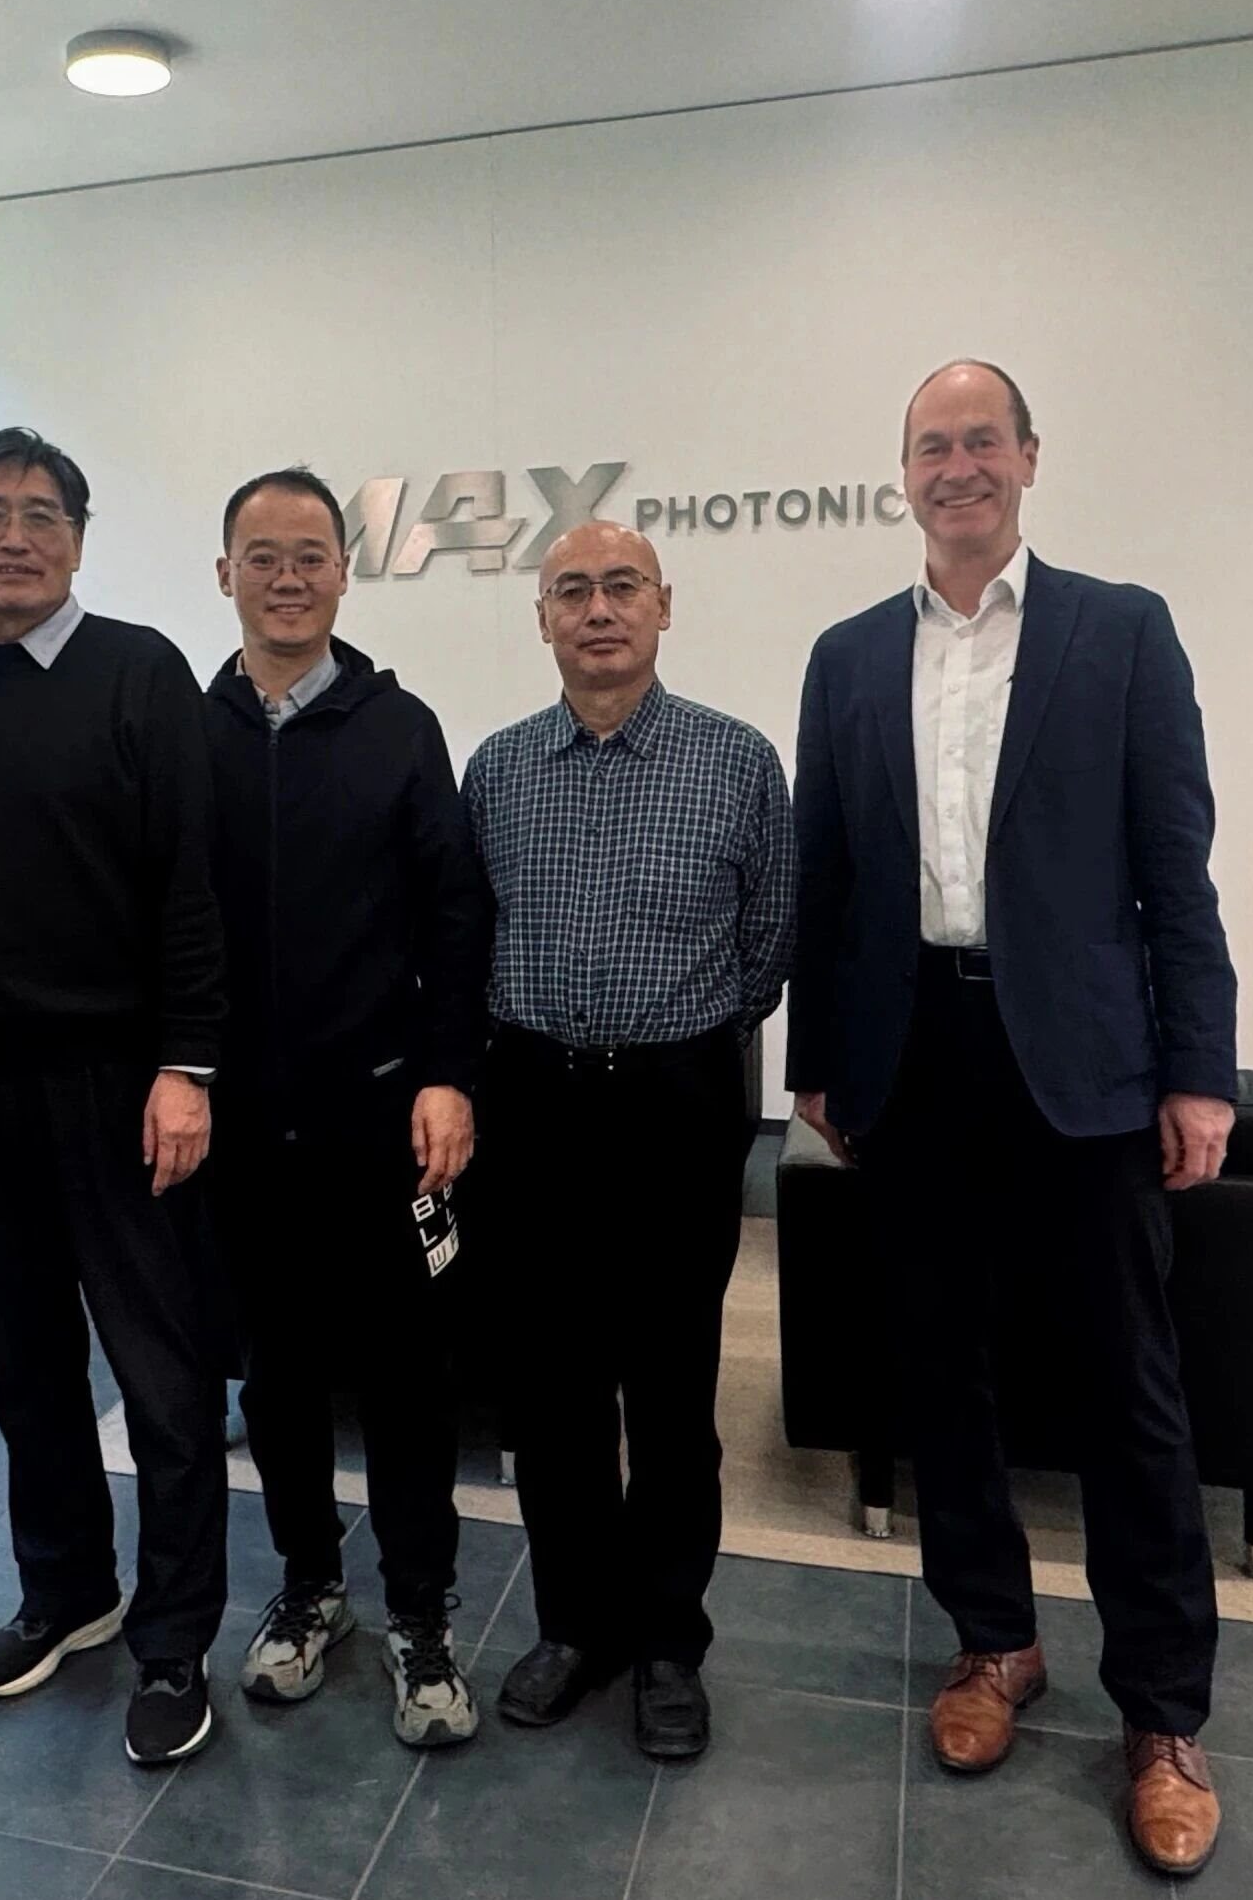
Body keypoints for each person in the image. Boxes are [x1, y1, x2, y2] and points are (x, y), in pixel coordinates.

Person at [786, 359, 1238, 1881]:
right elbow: (827, 876)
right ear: (902, 472)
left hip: (1084, 1064)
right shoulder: (849, 655)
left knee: (1128, 1388)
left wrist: (1199, 1067)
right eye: (933, 444)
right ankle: (993, 1641)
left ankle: (1163, 1714)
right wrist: (816, 1059)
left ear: (1029, 457)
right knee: (941, 1373)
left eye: (982, 439)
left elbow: (1175, 866)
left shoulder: (1122, 630)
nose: (957, 465)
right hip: (913, 1053)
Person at [0, 426, 235, 1769]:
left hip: (124, 1089)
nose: (15, 535)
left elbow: (190, 882)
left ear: (80, 540)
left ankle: (174, 1639)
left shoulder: (140, 672)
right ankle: (66, 1590)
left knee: (162, 1380)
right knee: (27, 1369)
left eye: (42, 513)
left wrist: (187, 1066)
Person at [460, 520, 792, 1762]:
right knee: (551, 1392)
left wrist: (678, 1047)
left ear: (663, 605)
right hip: (532, 1103)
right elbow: (469, 935)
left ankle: (666, 1643)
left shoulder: (737, 760)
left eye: (621, 587)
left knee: (669, 1390)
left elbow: (770, 942)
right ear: (542, 619)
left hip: (674, 1106)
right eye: (572, 591)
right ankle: (574, 1626)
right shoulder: (497, 769)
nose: (598, 610)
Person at [201, 468, 493, 1748]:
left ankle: (421, 1610)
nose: (287, 576)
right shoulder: (190, 730)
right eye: (262, 555)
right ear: (225, 573)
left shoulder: (400, 727)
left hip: (380, 1117)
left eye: (310, 553)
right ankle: (311, 1583)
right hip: (241, 1128)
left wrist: (448, 1072)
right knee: (275, 1379)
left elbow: (455, 916)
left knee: (406, 1378)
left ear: (343, 570)